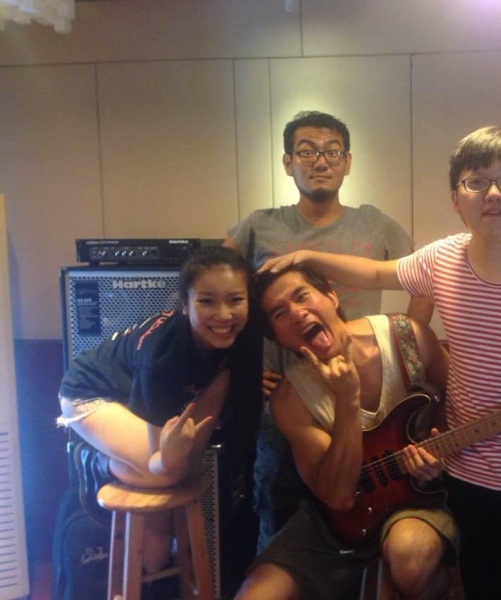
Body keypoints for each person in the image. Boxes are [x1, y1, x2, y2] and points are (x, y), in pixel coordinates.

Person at [260, 125, 501, 599]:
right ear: (455, 198)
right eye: (475, 182)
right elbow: (377, 272)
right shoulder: (442, 260)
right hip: (468, 479)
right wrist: (306, 256)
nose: (493, 193)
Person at [223, 110, 433, 551]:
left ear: (347, 162)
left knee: (363, 508)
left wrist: (410, 348)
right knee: (278, 510)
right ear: (287, 163)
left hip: (365, 393)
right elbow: (219, 293)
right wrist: (242, 368)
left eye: (332, 152)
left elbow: (423, 279)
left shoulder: (374, 223)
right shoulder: (259, 225)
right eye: (306, 151)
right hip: (289, 399)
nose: (320, 161)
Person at [235, 264, 457, 600]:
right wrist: (347, 400)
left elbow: (462, 404)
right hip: (334, 522)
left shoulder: (407, 338)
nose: (296, 313)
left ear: (331, 296)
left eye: (302, 296)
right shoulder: (290, 400)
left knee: (409, 558)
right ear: (276, 336)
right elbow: (338, 496)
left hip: (418, 501)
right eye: (279, 313)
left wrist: (439, 454)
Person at [57, 245, 262, 574]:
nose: (224, 315)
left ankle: (158, 568)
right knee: (167, 473)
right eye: (207, 301)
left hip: (134, 394)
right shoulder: (163, 355)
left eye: (235, 300)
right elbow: (160, 461)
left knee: (180, 485)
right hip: (90, 393)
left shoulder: (244, 337)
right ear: (185, 304)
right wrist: (170, 464)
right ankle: (96, 463)